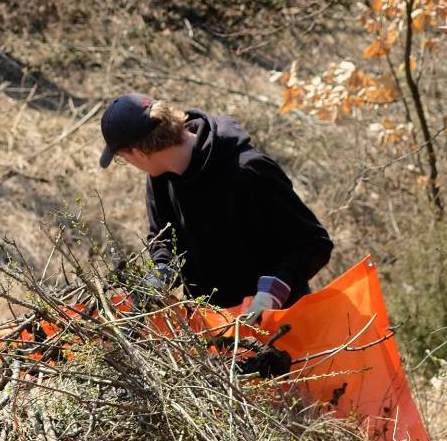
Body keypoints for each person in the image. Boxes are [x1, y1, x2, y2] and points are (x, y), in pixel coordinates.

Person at [98, 93, 333, 322]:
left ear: (139, 153)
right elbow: (164, 238)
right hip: (213, 326)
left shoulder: (248, 170)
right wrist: (161, 272)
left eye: (121, 157)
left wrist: (271, 292)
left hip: (278, 322)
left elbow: (313, 243)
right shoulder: (160, 178)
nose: (128, 164)